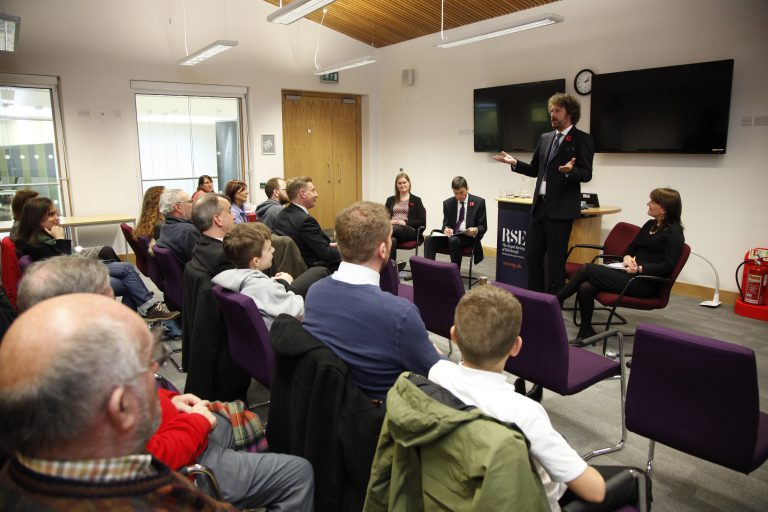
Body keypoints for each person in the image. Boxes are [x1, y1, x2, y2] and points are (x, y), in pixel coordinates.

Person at [15, 255, 316, 512]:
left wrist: (169, 401)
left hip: (180, 428)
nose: (122, 308)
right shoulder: (86, 385)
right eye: (111, 300)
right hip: (185, 459)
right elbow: (148, 460)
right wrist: (196, 423)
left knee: (227, 423)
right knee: (296, 471)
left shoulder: (36, 358)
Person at [0, 293, 236, 511]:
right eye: (148, 366)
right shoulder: (164, 498)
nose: (155, 376)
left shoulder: (17, 478)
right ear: (121, 408)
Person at [429, 285, 649, 511]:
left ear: (453, 335)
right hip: (530, 500)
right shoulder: (525, 413)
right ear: (516, 347)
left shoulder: (436, 376)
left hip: (462, 488)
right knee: (638, 479)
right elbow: (594, 491)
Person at [303, 201, 442, 400]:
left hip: (331, 408)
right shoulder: (400, 314)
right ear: (383, 250)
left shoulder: (315, 292)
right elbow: (437, 373)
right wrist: (437, 353)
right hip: (382, 420)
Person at [13, 196, 178, 322]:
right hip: (70, 282)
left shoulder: (43, 236)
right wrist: (60, 240)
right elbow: (64, 268)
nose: (57, 217)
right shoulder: (34, 244)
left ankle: (136, 315)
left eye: (56, 213)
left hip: (77, 272)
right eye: (51, 214)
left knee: (128, 273)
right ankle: (141, 313)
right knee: (129, 279)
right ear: (36, 219)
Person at [493, 92, 594, 293]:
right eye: (551, 111)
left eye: (557, 110)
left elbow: (586, 174)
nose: (552, 115)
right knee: (532, 257)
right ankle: (535, 299)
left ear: (570, 113)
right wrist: (514, 163)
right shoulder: (545, 138)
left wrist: (570, 172)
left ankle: (552, 306)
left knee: (556, 263)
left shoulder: (583, 139)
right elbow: (534, 169)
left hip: (561, 211)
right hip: (539, 208)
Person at [557, 188, 685, 343]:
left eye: (652, 201)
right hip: (628, 274)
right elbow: (631, 247)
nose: (648, 204)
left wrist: (639, 269)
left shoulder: (675, 233)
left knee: (587, 268)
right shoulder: (650, 224)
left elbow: (668, 266)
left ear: (664, 208)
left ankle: (554, 301)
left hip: (643, 282)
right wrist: (627, 257)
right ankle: (586, 330)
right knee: (586, 287)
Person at [213, 223, 327, 328]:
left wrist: (276, 281)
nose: (273, 250)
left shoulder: (231, 279)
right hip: (279, 338)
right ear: (256, 261)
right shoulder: (263, 287)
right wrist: (286, 285)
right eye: (268, 249)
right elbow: (299, 311)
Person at [274, 176, 341, 270]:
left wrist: (326, 244)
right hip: (313, 269)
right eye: (313, 191)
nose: (316, 194)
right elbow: (327, 255)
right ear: (302, 194)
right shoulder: (306, 221)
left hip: (293, 267)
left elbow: (302, 242)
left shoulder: (282, 214)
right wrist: (347, 254)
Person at [423, 176, 487, 268]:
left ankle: (454, 273)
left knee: (454, 240)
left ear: (467, 188)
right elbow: (446, 224)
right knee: (429, 239)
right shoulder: (448, 203)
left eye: (462, 192)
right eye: (456, 193)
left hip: (467, 238)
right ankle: (429, 271)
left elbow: (483, 226)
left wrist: (476, 230)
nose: (459, 196)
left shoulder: (479, 202)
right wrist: (446, 229)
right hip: (452, 236)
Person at [384, 172, 426, 263]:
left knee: (393, 229)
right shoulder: (390, 200)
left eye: (404, 182)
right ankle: (392, 268)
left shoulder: (417, 200)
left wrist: (405, 222)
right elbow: (383, 217)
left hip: (409, 230)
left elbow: (422, 222)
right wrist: (389, 221)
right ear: (396, 185)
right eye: (399, 183)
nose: (402, 185)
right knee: (392, 240)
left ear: (409, 183)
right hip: (392, 230)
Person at [156, 188, 201, 265]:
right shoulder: (188, 232)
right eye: (190, 201)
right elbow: (206, 263)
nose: (194, 204)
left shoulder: (166, 226)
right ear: (178, 207)